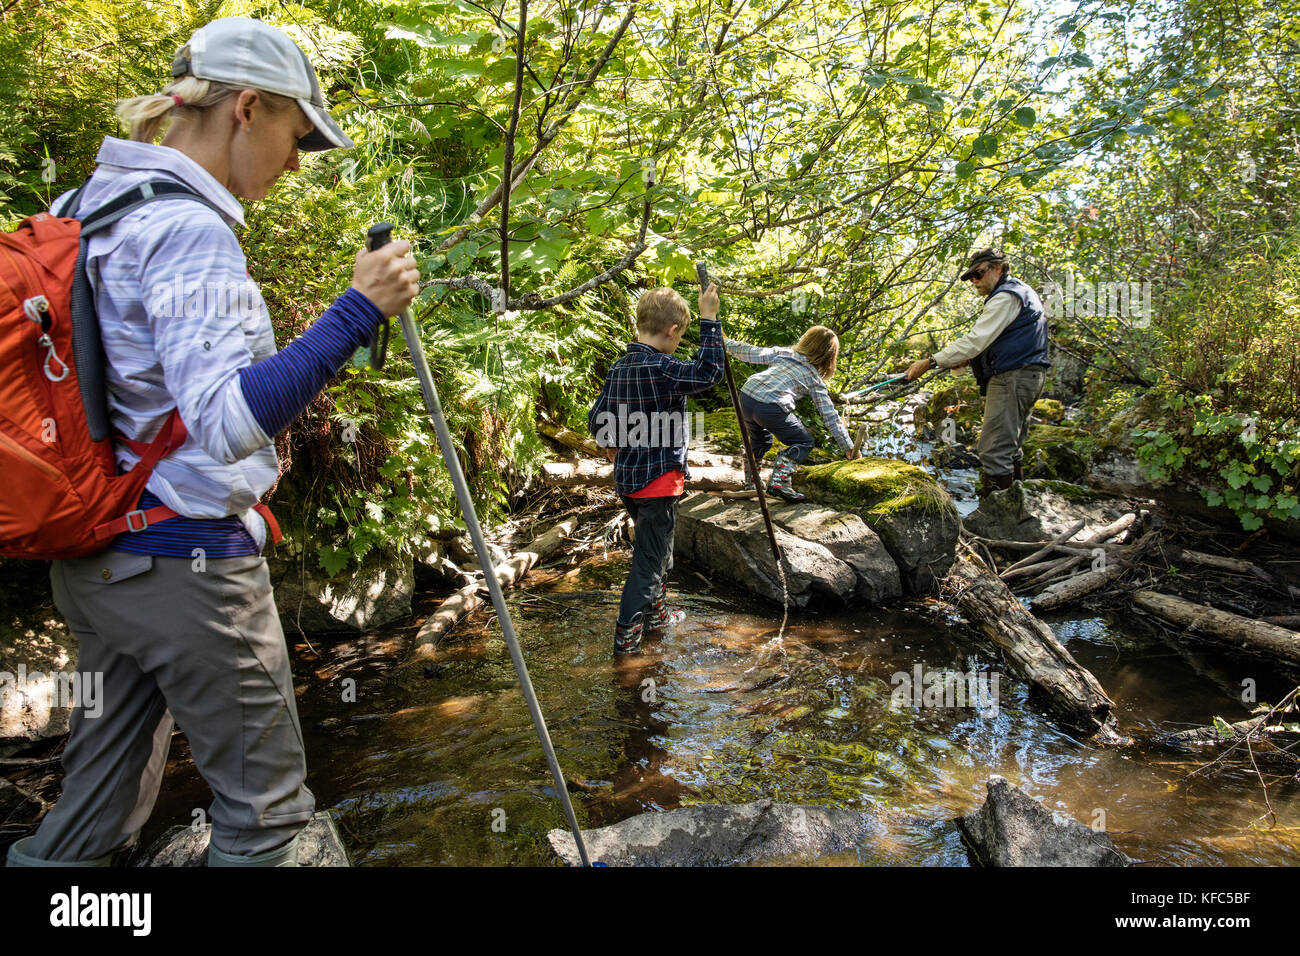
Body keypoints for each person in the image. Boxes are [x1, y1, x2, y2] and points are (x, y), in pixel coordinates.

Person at [6, 17, 419, 867]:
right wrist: (357, 311)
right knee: (265, 821)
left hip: (99, 565)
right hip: (186, 570)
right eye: (296, 135)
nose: (297, 161)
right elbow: (230, 421)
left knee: (92, 821)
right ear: (247, 107)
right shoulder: (188, 229)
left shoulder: (83, 205)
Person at [588, 283, 723, 655]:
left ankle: (657, 615)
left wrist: (610, 443)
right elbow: (710, 373)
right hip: (659, 481)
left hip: (630, 481)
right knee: (648, 563)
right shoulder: (664, 366)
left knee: (660, 550)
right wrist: (710, 320)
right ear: (673, 330)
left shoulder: (619, 367)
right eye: (681, 335)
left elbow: (596, 418)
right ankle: (626, 640)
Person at [905, 248, 1050, 496]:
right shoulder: (1020, 291)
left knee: (993, 449)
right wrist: (969, 360)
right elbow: (995, 341)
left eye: (978, 274)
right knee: (1011, 446)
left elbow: (975, 340)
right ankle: (1017, 504)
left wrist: (930, 361)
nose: (974, 281)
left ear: (998, 268)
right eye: (970, 276)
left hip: (1012, 378)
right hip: (1027, 376)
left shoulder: (1005, 297)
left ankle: (997, 515)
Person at [724, 325, 859, 503]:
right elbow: (830, 416)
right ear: (828, 357)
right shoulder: (814, 379)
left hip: (747, 397)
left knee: (760, 441)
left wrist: (724, 342)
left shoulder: (784, 353)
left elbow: (749, 351)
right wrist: (848, 447)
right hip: (770, 406)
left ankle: (752, 483)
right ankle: (779, 482)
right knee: (803, 441)